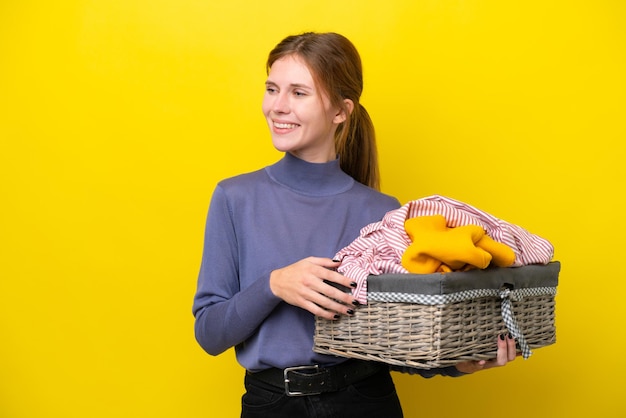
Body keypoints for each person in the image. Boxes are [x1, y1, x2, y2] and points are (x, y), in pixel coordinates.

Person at [192, 32, 517, 418]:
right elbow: (210, 334)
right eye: (272, 89)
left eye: (298, 93)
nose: (277, 107)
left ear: (341, 111)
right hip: (272, 405)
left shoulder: (383, 212)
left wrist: (456, 365)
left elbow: (395, 339)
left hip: (365, 402)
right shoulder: (235, 198)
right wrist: (274, 284)